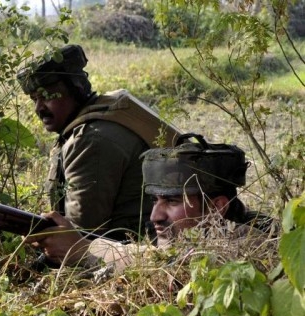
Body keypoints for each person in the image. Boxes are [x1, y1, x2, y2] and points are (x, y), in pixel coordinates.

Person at [24, 133, 273, 273]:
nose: (155, 216)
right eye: (155, 200)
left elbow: (173, 265)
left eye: (172, 201)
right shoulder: (197, 238)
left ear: (217, 207)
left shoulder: (250, 245)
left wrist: (83, 250)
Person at [17, 44, 181, 241]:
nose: (38, 108)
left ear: (75, 90)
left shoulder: (91, 139)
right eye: (34, 99)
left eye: (46, 96)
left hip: (135, 249)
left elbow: (81, 233)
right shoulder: (104, 112)